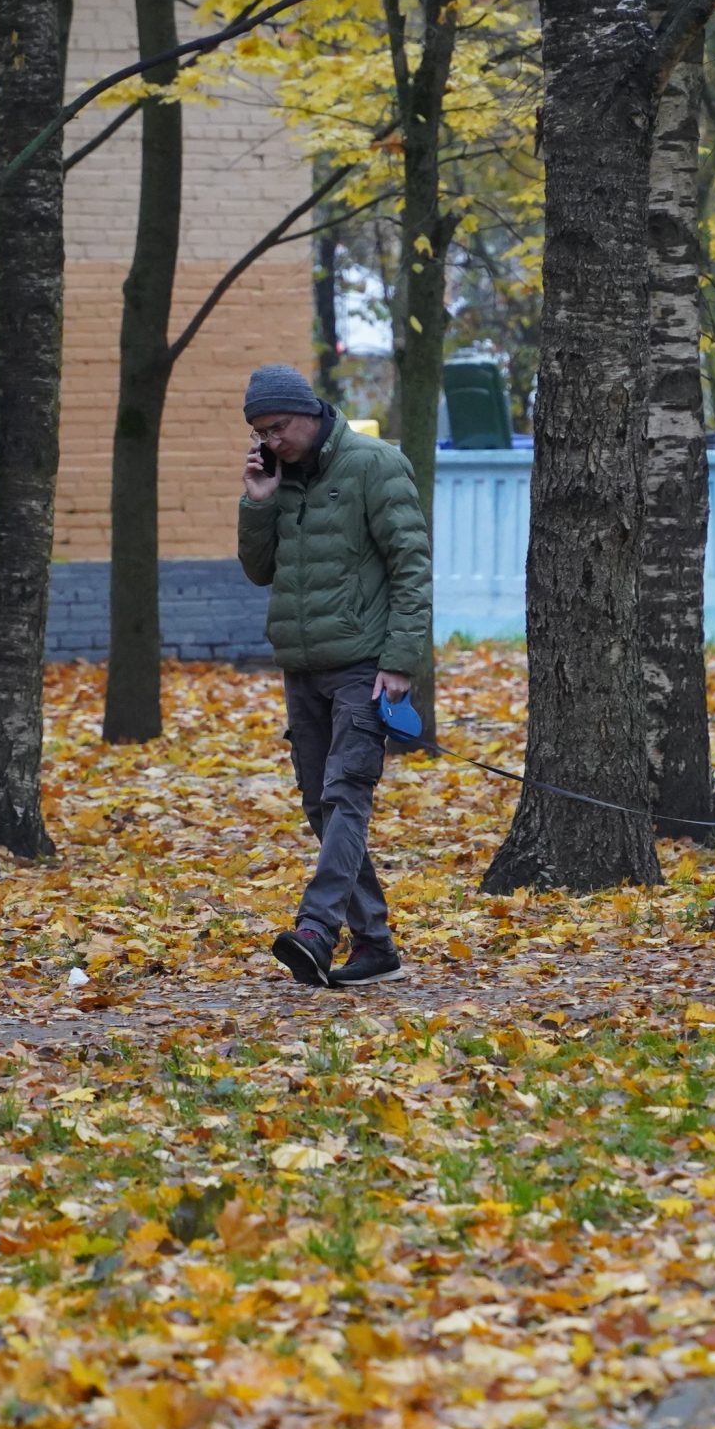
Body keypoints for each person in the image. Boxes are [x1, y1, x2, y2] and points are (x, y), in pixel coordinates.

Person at [235, 364, 432, 988]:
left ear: (309, 413)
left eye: (279, 427)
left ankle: (317, 929)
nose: (271, 441)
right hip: (302, 667)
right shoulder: (279, 479)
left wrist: (401, 660)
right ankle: (375, 946)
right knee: (322, 807)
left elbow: (411, 565)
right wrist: (256, 503)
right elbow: (259, 570)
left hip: (364, 668)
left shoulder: (374, 465)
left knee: (348, 795)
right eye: (261, 433)